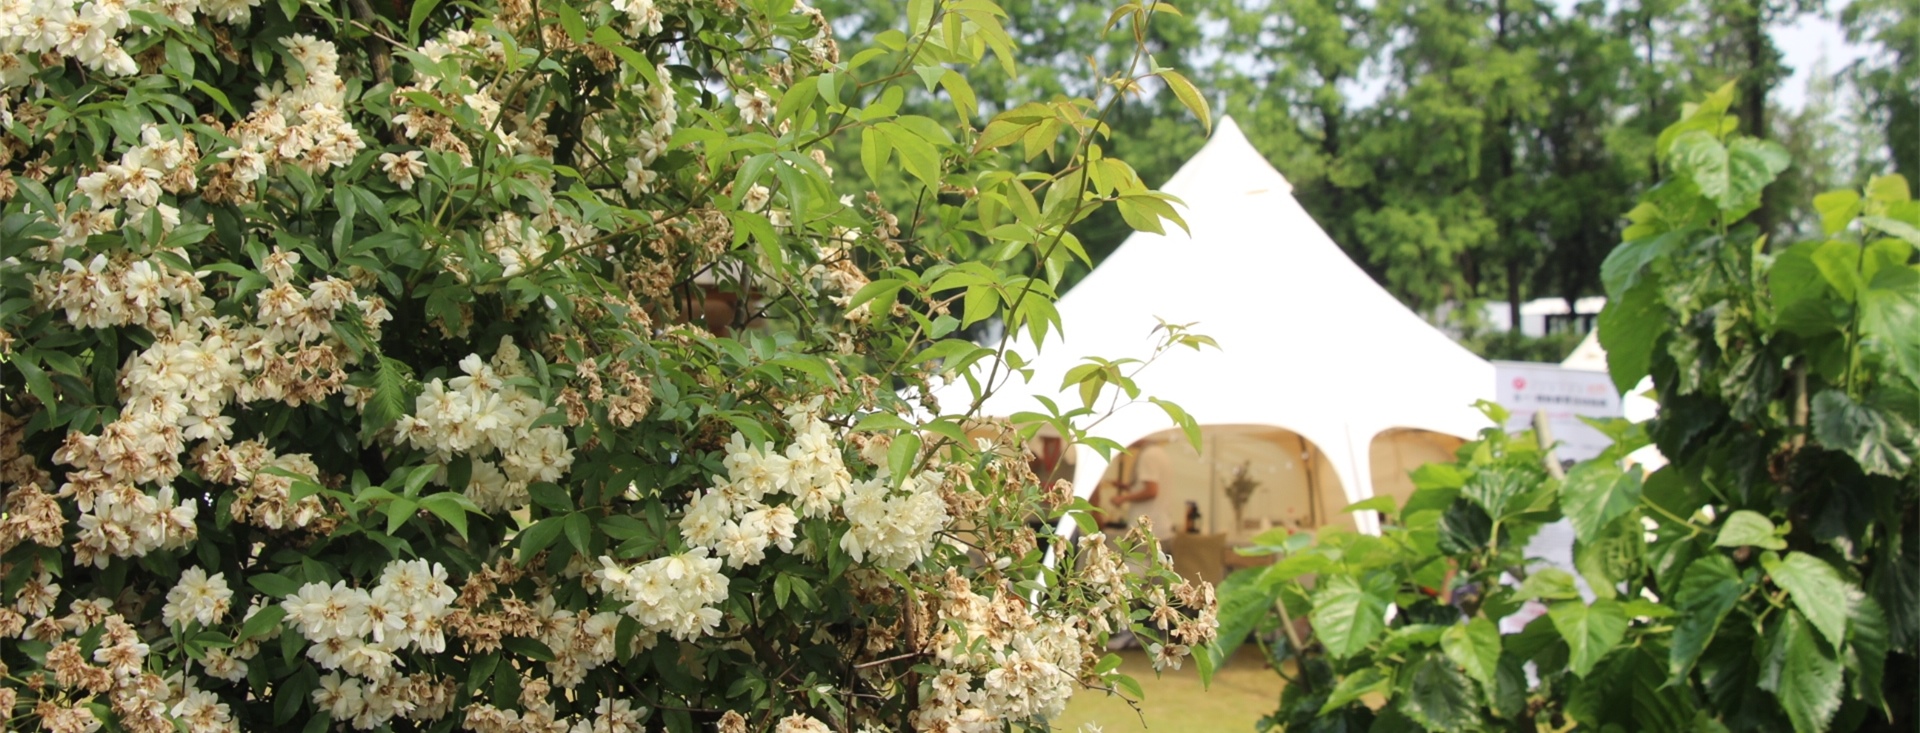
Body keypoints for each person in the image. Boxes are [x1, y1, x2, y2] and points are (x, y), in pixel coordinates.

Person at [1106, 436, 1170, 539]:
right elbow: (1147, 486)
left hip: (1146, 529)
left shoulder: (1149, 455)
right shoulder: (1159, 452)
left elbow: (1151, 491)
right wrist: (1125, 487)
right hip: (1157, 526)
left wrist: (1122, 498)